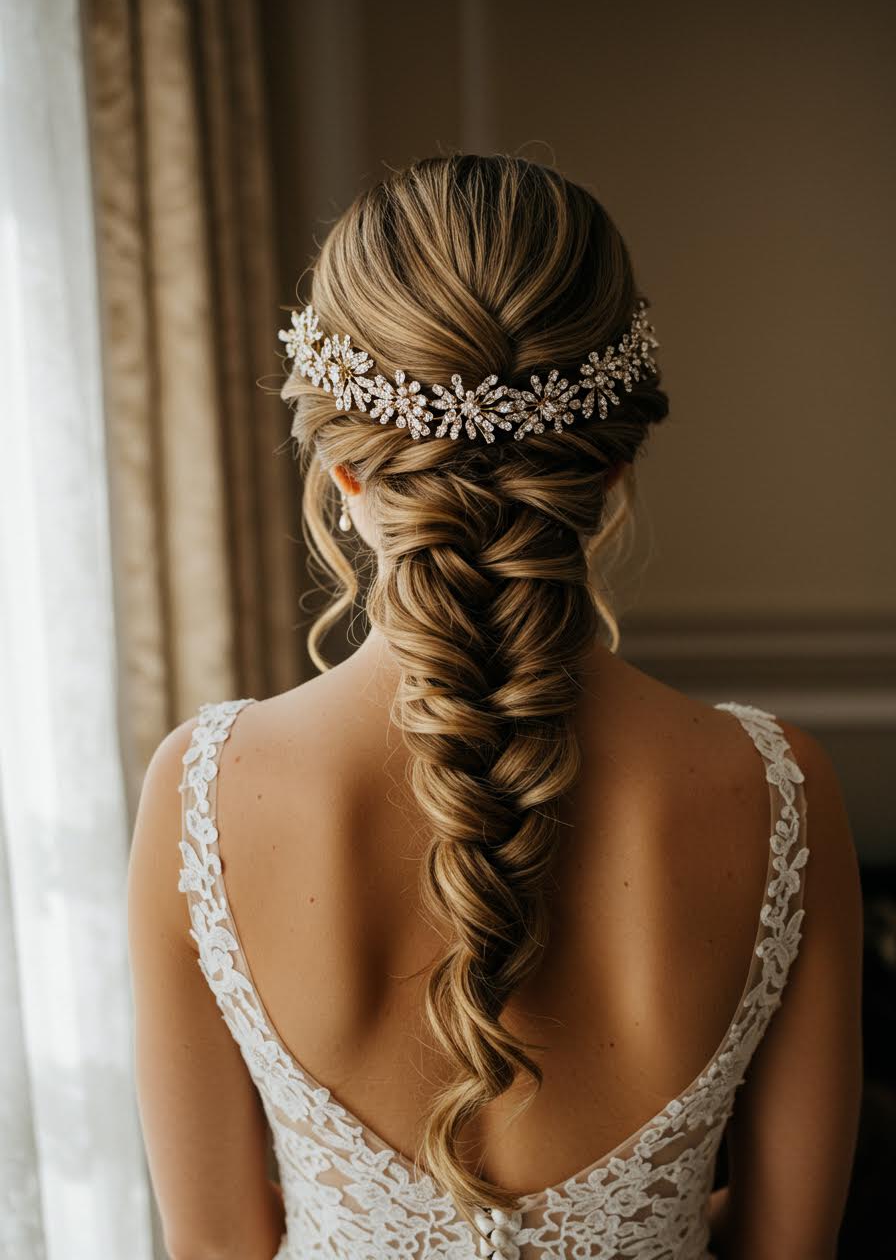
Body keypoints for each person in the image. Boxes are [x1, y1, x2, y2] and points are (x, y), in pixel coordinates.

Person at [127, 154, 863, 1260]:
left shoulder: (201, 789)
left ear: (340, 465)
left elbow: (215, 1245)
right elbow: (787, 1245)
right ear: (612, 463)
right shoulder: (772, 785)